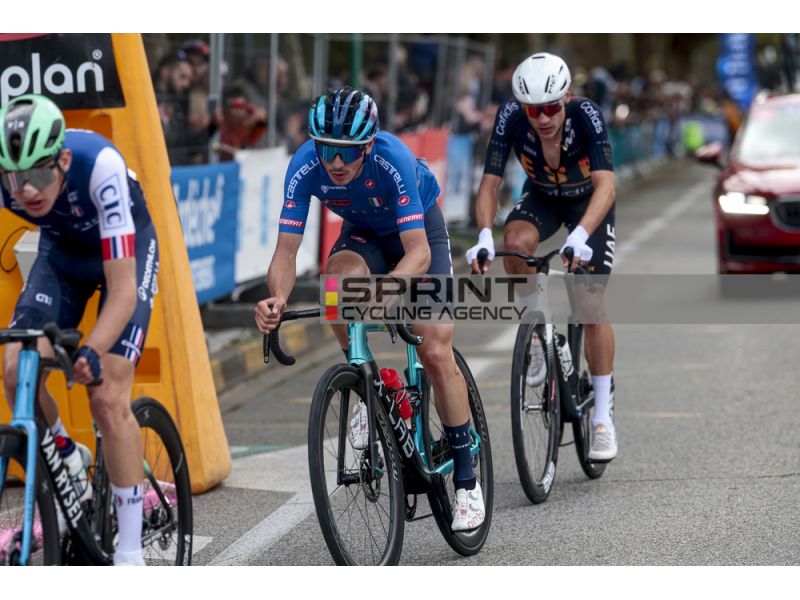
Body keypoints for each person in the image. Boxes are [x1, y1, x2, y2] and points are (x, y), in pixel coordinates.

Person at [254, 87, 485, 531]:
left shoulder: (391, 159)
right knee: (335, 284)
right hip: (364, 233)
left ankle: (467, 480)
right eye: (327, 150)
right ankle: (369, 382)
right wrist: (277, 299)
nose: (335, 163)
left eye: (347, 152)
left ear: (367, 145)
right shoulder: (304, 164)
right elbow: (286, 250)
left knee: (434, 348)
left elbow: (416, 252)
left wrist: (390, 289)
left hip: (419, 235)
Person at [0, 94, 160, 565]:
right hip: (62, 255)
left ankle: (130, 553)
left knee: (106, 394)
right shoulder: (10, 178)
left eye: (39, 174)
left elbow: (123, 291)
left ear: (62, 159)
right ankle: (67, 455)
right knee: (15, 371)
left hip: (124, 255)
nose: (27, 190)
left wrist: (90, 350)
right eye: (14, 178)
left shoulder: (100, 166)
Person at [465, 52, 619, 462]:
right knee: (513, 243)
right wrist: (483, 235)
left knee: (589, 301)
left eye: (551, 107)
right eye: (534, 110)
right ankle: (537, 335)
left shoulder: (587, 114)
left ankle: (602, 415)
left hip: (589, 204)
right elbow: (489, 184)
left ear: (566, 97)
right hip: (544, 200)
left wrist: (583, 234)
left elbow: (607, 186)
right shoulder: (510, 117)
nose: (543, 117)